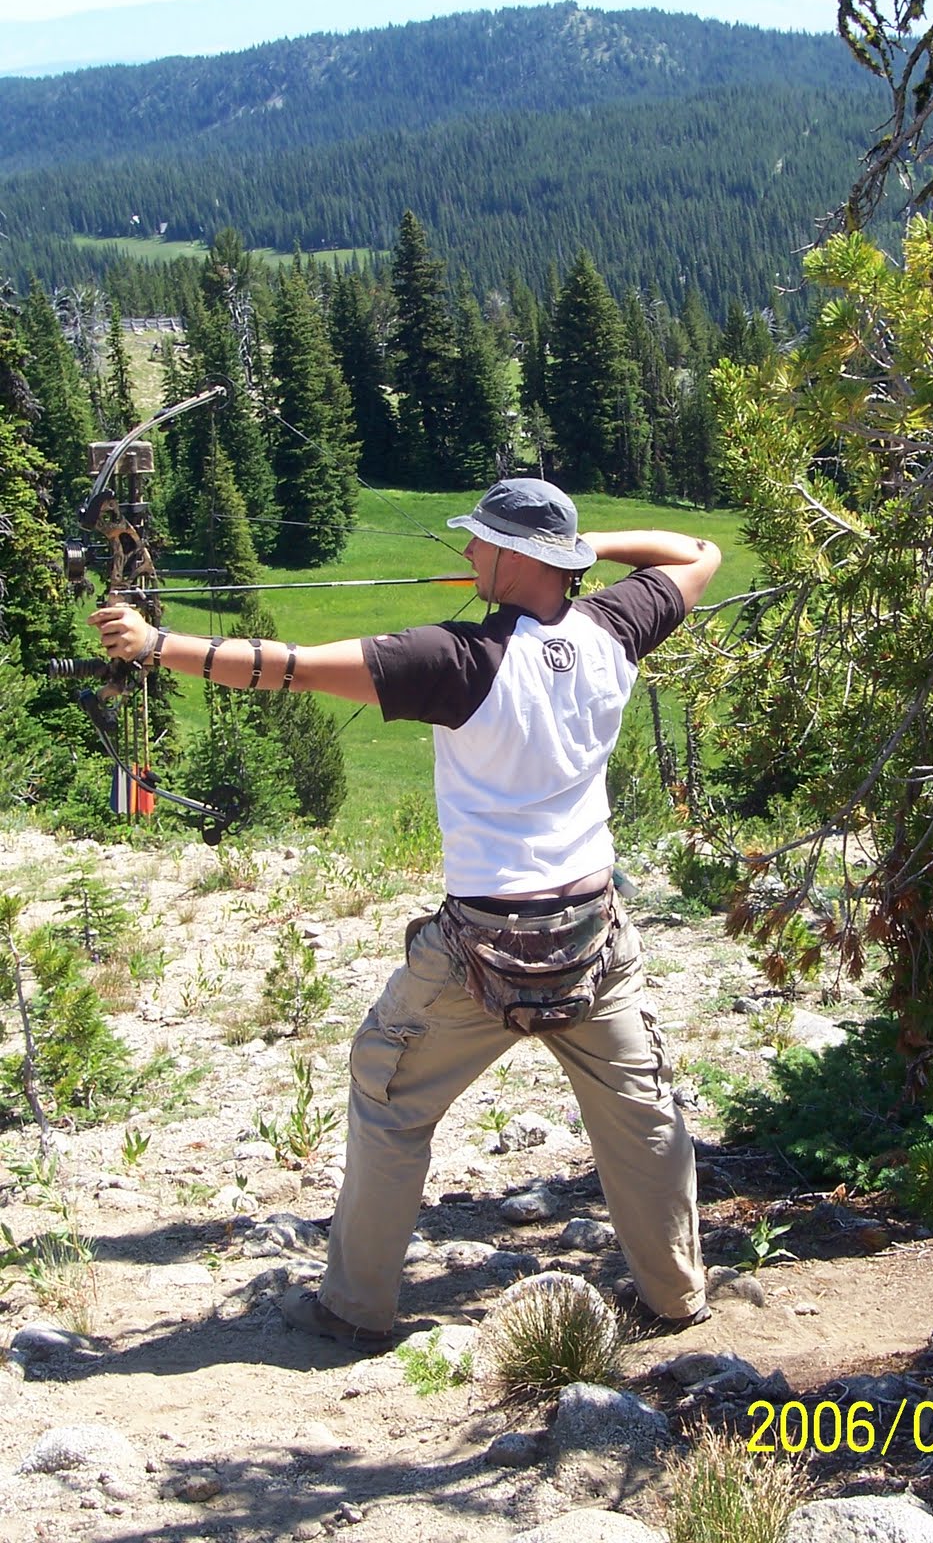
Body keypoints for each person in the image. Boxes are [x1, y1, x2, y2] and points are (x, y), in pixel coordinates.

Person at [90, 477, 722, 1350]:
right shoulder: (615, 625)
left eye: (481, 542)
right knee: (642, 1116)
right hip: (592, 938)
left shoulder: (455, 661)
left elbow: (286, 667)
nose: (467, 552)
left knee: (386, 1094)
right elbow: (699, 554)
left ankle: (353, 1309)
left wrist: (155, 644)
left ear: (516, 556)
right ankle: (676, 1296)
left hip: (480, 950)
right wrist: (579, 550)